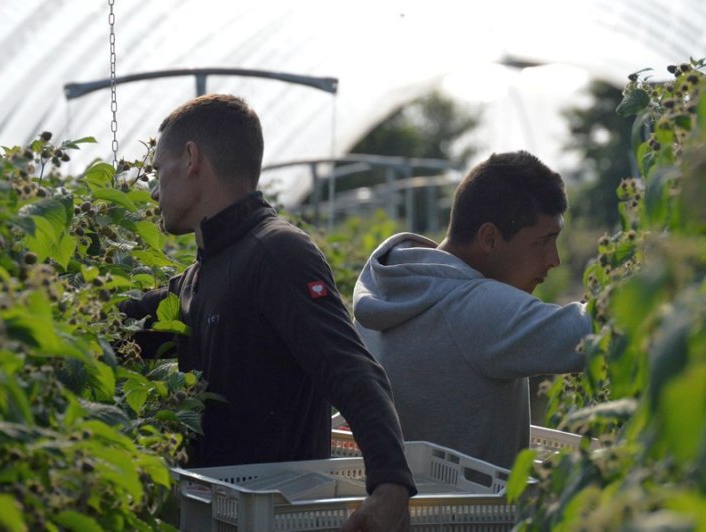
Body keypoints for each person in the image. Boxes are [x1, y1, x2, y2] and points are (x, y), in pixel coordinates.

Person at [119, 94, 415, 531]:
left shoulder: (276, 253)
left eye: (159, 169)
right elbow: (123, 327)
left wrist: (389, 485)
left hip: (278, 517)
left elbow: (351, 369)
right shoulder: (202, 275)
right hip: (218, 514)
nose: (155, 187)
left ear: (191, 158)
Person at [353, 151, 593, 469]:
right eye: (544, 241)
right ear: (490, 238)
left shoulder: (386, 291)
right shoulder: (474, 308)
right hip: (476, 517)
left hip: (411, 508)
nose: (554, 260)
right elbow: (593, 333)